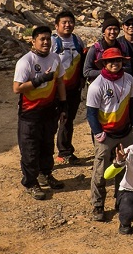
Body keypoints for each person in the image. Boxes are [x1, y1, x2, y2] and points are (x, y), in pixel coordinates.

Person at [13, 25, 65, 200]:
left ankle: (45, 174)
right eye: (42, 39)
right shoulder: (25, 61)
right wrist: (40, 79)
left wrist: (63, 104)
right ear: (33, 41)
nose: (45, 42)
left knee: (47, 146)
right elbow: (17, 88)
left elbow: (60, 82)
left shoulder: (55, 58)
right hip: (30, 114)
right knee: (30, 149)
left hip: (49, 111)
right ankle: (30, 182)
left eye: (48, 39)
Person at [85, 47, 133, 221]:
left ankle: (121, 200)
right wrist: (98, 133)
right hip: (106, 135)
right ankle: (98, 204)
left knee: (123, 168)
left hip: (125, 132)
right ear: (104, 64)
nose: (115, 63)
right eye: (111, 61)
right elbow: (91, 113)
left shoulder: (129, 79)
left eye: (118, 60)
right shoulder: (97, 85)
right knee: (100, 171)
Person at [51, 11, 86, 167]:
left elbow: (83, 61)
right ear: (56, 25)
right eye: (64, 22)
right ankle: (45, 156)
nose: (67, 25)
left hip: (73, 89)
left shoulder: (77, 41)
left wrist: (82, 80)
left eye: (70, 22)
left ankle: (65, 152)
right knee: (51, 121)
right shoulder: (52, 42)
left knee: (68, 119)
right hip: (54, 90)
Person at [84, 16, 130, 84]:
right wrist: (106, 72)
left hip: (118, 84)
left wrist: (116, 70)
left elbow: (128, 67)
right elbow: (86, 72)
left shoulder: (122, 47)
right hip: (98, 85)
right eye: (109, 29)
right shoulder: (95, 49)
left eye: (115, 29)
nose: (112, 32)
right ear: (104, 32)